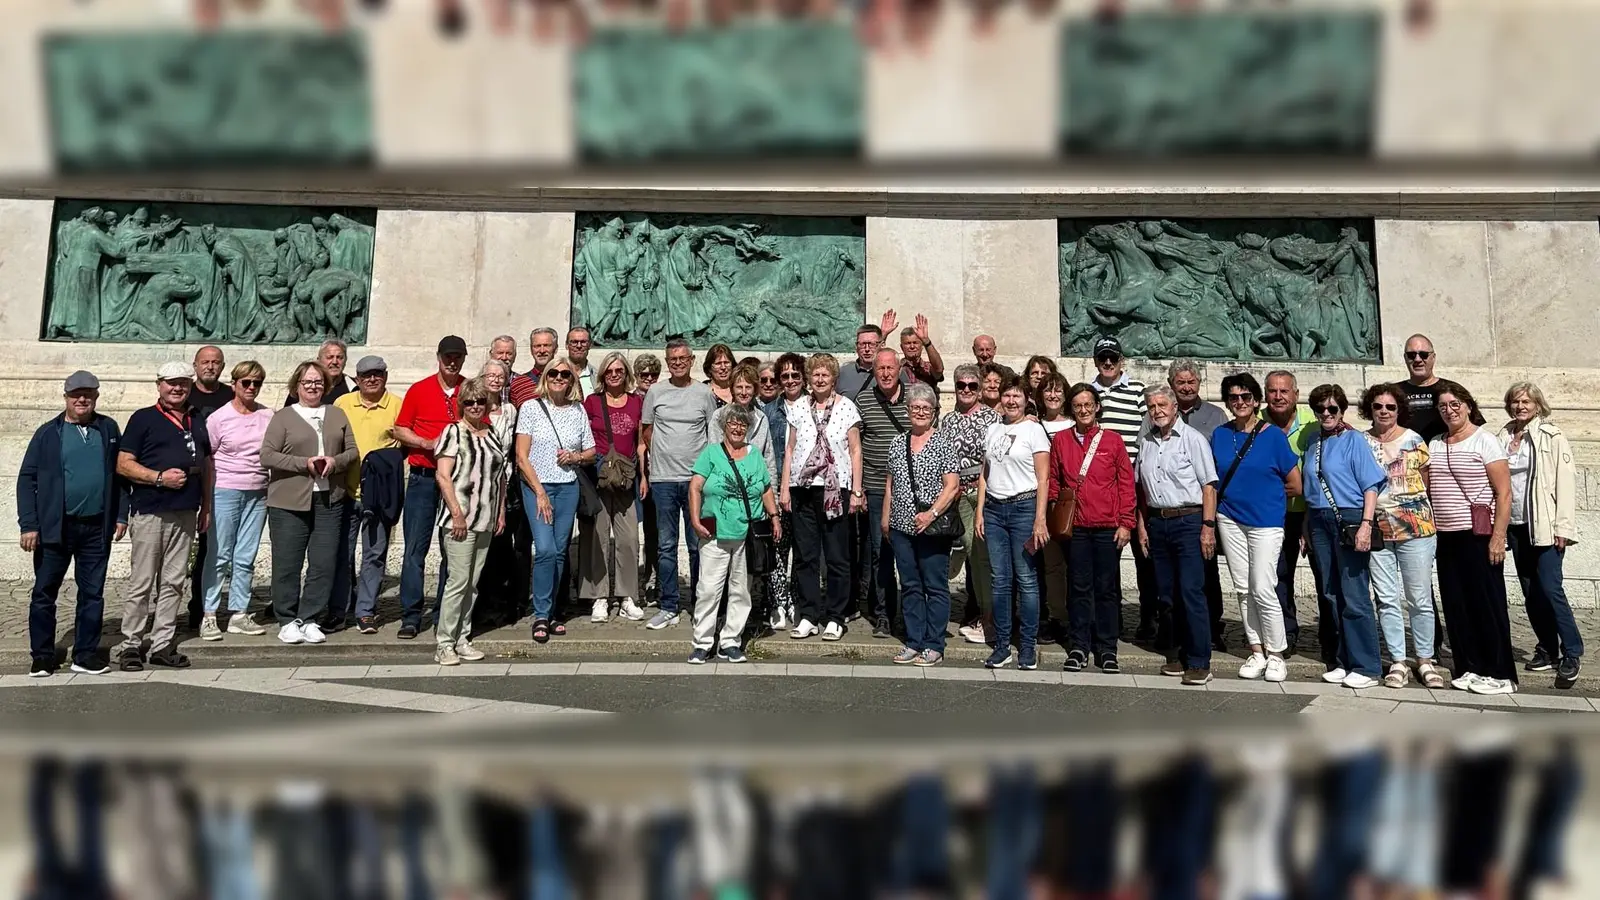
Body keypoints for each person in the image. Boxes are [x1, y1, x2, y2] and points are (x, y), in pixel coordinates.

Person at [17, 371, 127, 676]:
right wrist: (29, 524)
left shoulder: (108, 429)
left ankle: (85, 655)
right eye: (76, 395)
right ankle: (42, 656)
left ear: (96, 397)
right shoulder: (47, 433)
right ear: (65, 397)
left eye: (88, 395)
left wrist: (120, 515)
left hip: (96, 528)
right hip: (56, 527)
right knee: (44, 592)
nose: (82, 400)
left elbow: (120, 476)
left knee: (92, 593)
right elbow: (27, 480)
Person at [115, 362, 213, 671]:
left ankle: (162, 644)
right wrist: (158, 478)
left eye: (183, 383)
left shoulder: (196, 418)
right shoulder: (143, 418)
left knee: (173, 582)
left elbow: (207, 464)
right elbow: (123, 463)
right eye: (171, 383)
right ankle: (130, 644)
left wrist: (206, 505)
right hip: (151, 510)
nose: (177, 388)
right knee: (142, 581)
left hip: (186, 510)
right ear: (159, 384)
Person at [1210, 373, 1301, 683]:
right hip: (1230, 518)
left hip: (1266, 522)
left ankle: (1277, 653)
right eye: (1234, 397)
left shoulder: (1272, 435)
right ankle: (1256, 649)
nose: (1240, 403)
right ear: (1227, 402)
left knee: (1263, 586)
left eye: (1246, 397)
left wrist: (1267, 497)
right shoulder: (1220, 435)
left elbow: (1294, 483)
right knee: (1243, 588)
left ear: (1256, 401)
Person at [1427, 381, 1516, 695]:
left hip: (1478, 535)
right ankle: (1468, 667)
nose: (1449, 410)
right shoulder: (1436, 443)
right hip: (1446, 536)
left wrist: (1498, 536)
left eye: (1454, 404)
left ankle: (1500, 672)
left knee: (1487, 603)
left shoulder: (1485, 440)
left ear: (1467, 406)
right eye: (1443, 406)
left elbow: (1504, 493)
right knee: (1456, 605)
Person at [260, 360, 358, 645]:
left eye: (318, 382)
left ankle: (310, 617)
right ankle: (287, 618)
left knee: (323, 562)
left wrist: (334, 461)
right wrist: (304, 464)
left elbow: (352, 451)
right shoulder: (283, 417)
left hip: (330, 499)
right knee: (287, 562)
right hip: (288, 501)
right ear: (297, 386)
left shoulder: (337, 414)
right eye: (307, 382)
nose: (313, 387)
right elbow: (267, 455)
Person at [1302, 384, 1387, 690]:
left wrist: (1366, 524)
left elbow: (1371, 486)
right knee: (1330, 592)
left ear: (1342, 411)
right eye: (1320, 409)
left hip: (1349, 518)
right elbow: (1311, 489)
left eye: (1332, 409)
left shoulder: (1354, 440)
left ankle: (1366, 665)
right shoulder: (1312, 442)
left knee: (1354, 593)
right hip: (1319, 521)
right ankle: (1343, 659)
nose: (1326, 414)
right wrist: (1305, 528)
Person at [1360, 383, 1444, 689]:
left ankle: (1424, 659)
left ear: (1399, 410)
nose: (1384, 411)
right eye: (1378, 406)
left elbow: (1425, 481)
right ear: (1370, 409)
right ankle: (1397, 659)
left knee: (1419, 597)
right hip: (1377, 528)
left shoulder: (1413, 440)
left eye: (1390, 407)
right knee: (1385, 598)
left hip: (1416, 528)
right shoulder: (1360, 441)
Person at [1048, 382, 1135, 674]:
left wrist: (1126, 523)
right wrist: (1054, 514)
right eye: (1077, 406)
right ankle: (1078, 646)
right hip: (1077, 528)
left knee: (1107, 590)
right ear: (1071, 410)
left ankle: (1107, 648)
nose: (1083, 410)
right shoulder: (1061, 440)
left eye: (1088, 404)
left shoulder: (1113, 440)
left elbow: (1126, 484)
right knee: (1079, 587)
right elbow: (1054, 481)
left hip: (1107, 526)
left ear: (1097, 406)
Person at [1135, 384, 1219, 686]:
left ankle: (1200, 660)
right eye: (1151, 406)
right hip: (1158, 522)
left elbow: (1209, 485)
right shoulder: (1146, 441)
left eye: (1162, 405)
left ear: (1173, 407)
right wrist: (1143, 524)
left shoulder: (1193, 440)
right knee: (1167, 595)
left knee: (1191, 591)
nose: (1157, 411)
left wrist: (1207, 528)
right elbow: (1142, 488)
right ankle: (1180, 653)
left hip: (1189, 521)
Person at [1498, 382, 1582, 687]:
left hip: (1545, 525)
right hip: (1515, 524)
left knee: (1551, 588)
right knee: (1531, 590)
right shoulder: (1503, 436)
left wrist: (1564, 527)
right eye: (1515, 401)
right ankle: (1547, 647)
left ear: (1537, 405)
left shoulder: (1551, 436)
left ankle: (1571, 652)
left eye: (1526, 401)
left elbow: (1566, 483)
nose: (1520, 406)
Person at [686, 408, 780, 664]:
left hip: (746, 534)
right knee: (708, 589)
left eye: (742, 424)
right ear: (724, 426)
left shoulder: (755, 455)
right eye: (733, 423)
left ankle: (730, 641)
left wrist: (774, 517)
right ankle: (702, 642)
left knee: (741, 591)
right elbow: (695, 487)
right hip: (715, 531)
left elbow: (766, 488)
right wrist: (694, 519)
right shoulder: (711, 453)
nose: (738, 428)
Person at [783, 352, 864, 641]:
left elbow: (855, 450)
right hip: (803, 489)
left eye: (825, 375)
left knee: (837, 556)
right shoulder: (798, 409)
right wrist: (784, 488)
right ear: (809, 378)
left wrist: (856, 490)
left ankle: (835, 616)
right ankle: (808, 615)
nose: (819, 379)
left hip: (835, 491)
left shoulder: (847, 409)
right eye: (815, 374)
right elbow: (790, 449)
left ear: (833, 379)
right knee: (805, 556)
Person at [641, 339, 720, 630]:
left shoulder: (703, 393)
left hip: (695, 483)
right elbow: (647, 430)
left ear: (691, 360)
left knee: (699, 545)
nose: (677, 363)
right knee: (665, 546)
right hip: (663, 480)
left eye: (682, 358)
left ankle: (701, 604)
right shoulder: (656, 391)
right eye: (672, 359)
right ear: (666, 361)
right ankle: (668, 605)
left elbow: (712, 434)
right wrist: (664, 454)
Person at [393, 335, 468, 639]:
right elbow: (400, 428)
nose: (452, 362)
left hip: (457, 479)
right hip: (424, 477)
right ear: (438, 357)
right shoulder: (419, 389)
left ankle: (443, 612)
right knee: (415, 548)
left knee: (453, 547)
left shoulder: (470, 389)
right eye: (447, 356)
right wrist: (426, 443)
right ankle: (411, 615)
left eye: (457, 357)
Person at [515, 358, 596, 643]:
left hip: (568, 487)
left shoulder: (577, 411)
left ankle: (553, 612)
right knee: (546, 549)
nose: (559, 378)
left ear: (572, 380)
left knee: (560, 551)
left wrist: (574, 457)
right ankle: (540, 613)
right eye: (554, 373)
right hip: (537, 487)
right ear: (545, 377)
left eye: (565, 374)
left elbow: (591, 451)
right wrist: (539, 492)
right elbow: (521, 457)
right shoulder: (530, 408)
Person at [433, 377, 510, 666]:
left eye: (480, 401)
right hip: (459, 519)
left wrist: (500, 511)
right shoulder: (452, 432)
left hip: (486, 518)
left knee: (473, 583)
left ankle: (462, 637)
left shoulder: (491, 433)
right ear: (461, 404)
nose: (476, 406)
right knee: (458, 581)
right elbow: (443, 475)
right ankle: (444, 642)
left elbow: (500, 476)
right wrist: (456, 513)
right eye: (469, 402)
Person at [882, 383, 960, 667]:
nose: (920, 412)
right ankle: (914, 641)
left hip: (932, 527)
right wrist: (886, 518)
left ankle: (934, 644)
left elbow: (952, 486)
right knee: (911, 584)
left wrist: (931, 514)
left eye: (926, 408)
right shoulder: (897, 442)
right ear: (907, 411)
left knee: (935, 585)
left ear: (934, 412)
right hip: (901, 526)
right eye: (915, 407)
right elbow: (891, 483)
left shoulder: (943, 443)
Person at [976, 378, 1051, 671]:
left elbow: (1043, 478)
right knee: (1000, 580)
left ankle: (1028, 645)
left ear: (1025, 399)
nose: (1010, 401)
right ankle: (1002, 644)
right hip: (994, 510)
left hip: (1023, 507)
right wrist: (981, 511)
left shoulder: (1034, 430)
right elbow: (985, 473)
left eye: (1016, 395)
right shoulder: (993, 429)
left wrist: (1040, 519)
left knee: (1026, 579)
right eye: (1007, 395)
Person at [198, 361, 273, 641]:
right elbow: (208, 459)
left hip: (258, 491)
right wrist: (206, 500)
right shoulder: (218, 418)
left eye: (257, 383)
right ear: (235, 385)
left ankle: (239, 613)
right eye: (246, 382)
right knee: (219, 555)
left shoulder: (268, 415)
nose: (251, 387)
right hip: (226, 490)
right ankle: (209, 614)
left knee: (246, 556)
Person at [1088, 337, 1157, 642]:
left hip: (1136, 484)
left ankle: (1149, 619)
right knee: (1107, 563)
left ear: (1121, 361)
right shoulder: (1089, 394)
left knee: (1146, 558)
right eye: (1102, 358)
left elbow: (1149, 430)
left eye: (1112, 358)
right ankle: (1110, 621)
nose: (1108, 363)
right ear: (1095, 361)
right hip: (1104, 488)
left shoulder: (1139, 391)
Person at [333, 355, 402, 635]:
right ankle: (339, 608)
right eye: (365, 375)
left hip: (378, 495)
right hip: (346, 492)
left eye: (377, 374)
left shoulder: (397, 405)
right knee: (342, 554)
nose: (371, 379)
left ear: (385, 376)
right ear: (357, 379)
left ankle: (365, 611)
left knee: (374, 555)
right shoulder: (343, 404)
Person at [580, 351, 645, 623]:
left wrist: (645, 477)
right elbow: (583, 436)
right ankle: (599, 597)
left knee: (629, 539)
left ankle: (627, 596)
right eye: (609, 371)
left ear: (626, 373)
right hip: (598, 477)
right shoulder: (592, 402)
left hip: (627, 479)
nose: (614, 374)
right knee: (597, 538)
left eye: (619, 370)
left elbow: (642, 441)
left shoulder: (636, 402)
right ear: (603, 375)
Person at [1261, 370, 1322, 657]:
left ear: (1296, 395)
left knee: (1324, 576)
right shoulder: (1256, 424)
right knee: (1279, 574)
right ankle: (1285, 633)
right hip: (1273, 514)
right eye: (1272, 391)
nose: (1278, 396)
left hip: (1311, 512)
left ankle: (1330, 637)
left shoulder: (1315, 424)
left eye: (1284, 391)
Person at [1171, 357, 1228, 646]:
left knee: (1207, 569)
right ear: (1172, 385)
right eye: (1180, 382)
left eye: (1191, 381)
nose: (1186, 387)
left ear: (1199, 383)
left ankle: (1212, 625)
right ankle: (1175, 629)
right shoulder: (1159, 412)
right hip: (1171, 508)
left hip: (1204, 505)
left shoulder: (1216, 416)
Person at [467, 359, 526, 634]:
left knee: (502, 547)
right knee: (477, 548)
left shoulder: (511, 411)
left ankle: (503, 605)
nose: (494, 379)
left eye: (499, 376)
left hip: (503, 484)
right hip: (475, 485)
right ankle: (476, 608)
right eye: (490, 374)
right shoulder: (473, 408)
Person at [941, 363, 999, 645]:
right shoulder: (948, 420)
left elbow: (993, 460)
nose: (966, 390)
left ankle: (989, 619)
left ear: (979, 389)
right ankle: (981, 614)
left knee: (980, 556)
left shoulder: (992, 418)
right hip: (955, 494)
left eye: (972, 386)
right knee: (971, 552)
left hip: (980, 493)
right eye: (961, 385)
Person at [856, 348, 909, 639]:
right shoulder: (863, 400)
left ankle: (911, 612)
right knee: (881, 553)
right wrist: (859, 489)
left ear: (899, 368)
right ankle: (884, 615)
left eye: (890, 368)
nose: (886, 374)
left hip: (910, 490)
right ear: (873, 371)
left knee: (910, 555)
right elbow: (857, 446)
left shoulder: (915, 397)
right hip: (876, 488)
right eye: (880, 369)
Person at [185, 345, 232, 632]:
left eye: (215, 363)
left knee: (209, 549)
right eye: (205, 362)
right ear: (195, 365)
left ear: (222, 367)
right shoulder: (184, 393)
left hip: (219, 480)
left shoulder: (230, 395)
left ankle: (201, 608)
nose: (210, 367)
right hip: (186, 478)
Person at [763, 354, 806, 631]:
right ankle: (777, 602)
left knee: (803, 550)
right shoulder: (768, 412)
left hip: (805, 490)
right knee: (777, 549)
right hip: (776, 489)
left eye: (795, 375)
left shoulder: (815, 407)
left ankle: (797, 601)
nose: (790, 381)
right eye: (785, 376)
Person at [1033, 372, 1072, 638]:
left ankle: (1078, 616)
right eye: (1048, 390)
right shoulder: (1033, 425)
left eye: (1058, 390)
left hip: (1071, 503)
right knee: (1052, 565)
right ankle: (1056, 616)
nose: (1053, 395)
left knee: (1077, 564)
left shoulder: (1074, 423)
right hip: (1043, 504)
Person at [634, 353, 662, 600]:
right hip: (632, 473)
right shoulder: (633, 401)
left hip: (655, 472)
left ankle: (653, 579)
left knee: (655, 531)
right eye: (644, 375)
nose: (649, 379)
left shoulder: (662, 396)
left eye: (654, 374)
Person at [1394, 334, 1445, 441]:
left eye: (1424, 354)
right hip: (1403, 455)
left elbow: (1471, 429)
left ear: (1433, 357)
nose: (1417, 359)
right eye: (1411, 355)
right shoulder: (1392, 393)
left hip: (1443, 455)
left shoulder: (1451, 390)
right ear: (1405, 358)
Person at [281, 339, 354, 407]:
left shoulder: (354, 387)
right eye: (330, 357)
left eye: (339, 357)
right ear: (319, 360)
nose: (335, 362)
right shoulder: (304, 387)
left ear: (345, 361)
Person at [887, 311, 945, 394]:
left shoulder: (928, 368)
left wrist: (926, 341)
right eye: (908, 343)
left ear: (922, 346)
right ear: (901, 347)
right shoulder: (897, 368)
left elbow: (939, 369)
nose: (912, 346)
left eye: (915, 343)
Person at [509, 326, 559, 408]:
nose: (542, 351)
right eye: (537, 346)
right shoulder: (518, 384)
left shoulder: (567, 380)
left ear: (555, 348)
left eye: (546, 345)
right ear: (531, 349)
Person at [565, 327, 597, 397]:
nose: (579, 346)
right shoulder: (556, 374)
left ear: (590, 345)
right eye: (574, 342)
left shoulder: (597, 376)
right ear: (567, 345)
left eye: (583, 342)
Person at [488, 335, 519, 403]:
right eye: (500, 353)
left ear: (514, 356)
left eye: (509, 353)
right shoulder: (481, 383)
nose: (504, 358)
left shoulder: (521, 383)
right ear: (491, 355)